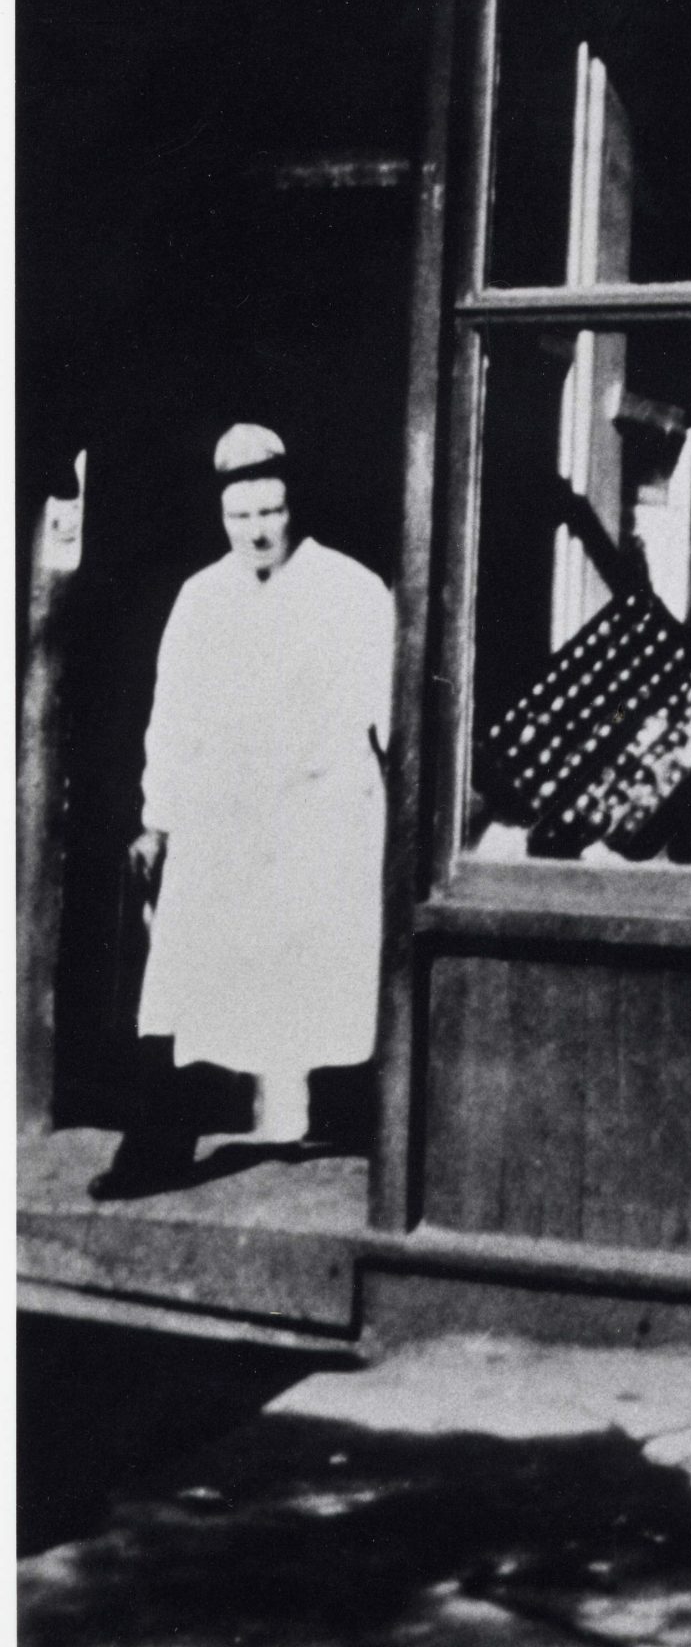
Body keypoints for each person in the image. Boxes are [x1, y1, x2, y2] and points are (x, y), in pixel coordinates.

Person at [90, 425, 394, 1198]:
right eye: (240, 516)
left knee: (329, 977)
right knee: (190, 979)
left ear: (294, 507)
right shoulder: (201, 598)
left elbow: (389, 717)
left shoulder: (353, 591)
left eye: (271, 511)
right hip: (224, 821)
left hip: (322, 817)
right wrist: (157, 819)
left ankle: (352, 1134)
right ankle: (156, 1149)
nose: (258, 530)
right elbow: (174, 717)